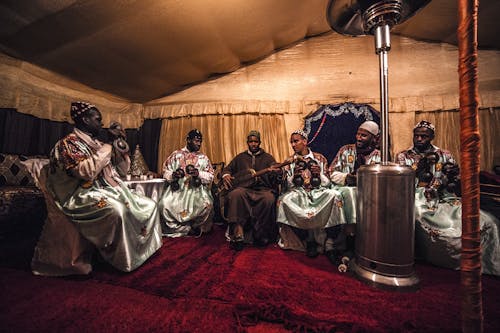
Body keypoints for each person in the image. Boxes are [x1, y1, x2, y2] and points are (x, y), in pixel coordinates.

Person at [31, 101, 162, 276]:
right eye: (97, 119)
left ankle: (142, 252)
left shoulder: (98, 144)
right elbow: (87, 172)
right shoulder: (67, 144)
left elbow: (123, 170)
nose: (101, 123)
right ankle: (121, 260)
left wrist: (119, 146)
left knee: (151, 205)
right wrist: (108, 144)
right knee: (118, 211)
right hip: (79, 195)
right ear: (85, 119)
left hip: (107, 190)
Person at [396, 120, 500, 276]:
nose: (418, 139)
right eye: (416, 136)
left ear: (432, 137)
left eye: (423, 136)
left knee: (486, 220)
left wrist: (453, 176)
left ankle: (486, 263)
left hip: (446, 198)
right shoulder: (403, 156)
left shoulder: (444, 155)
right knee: (420, 216)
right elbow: (402, 182)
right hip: (417, 199)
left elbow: (454, 179)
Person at [277, 129, 346, 258]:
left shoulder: (319, 158)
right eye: (291, 142)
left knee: (335, 196)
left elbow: (327, 183)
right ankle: (308, 240)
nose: (293, 144)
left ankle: (330, 242)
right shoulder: (290, 161)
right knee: (284, 201)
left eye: (296, 141)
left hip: (318, 191)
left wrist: (318, 173)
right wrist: (295, 176)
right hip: (299, 192)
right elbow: (288, 185)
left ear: (305, 141)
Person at [327, 121, 381, 265]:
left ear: (374, 138)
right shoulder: (345, 150)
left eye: (364, 135)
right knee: (350, 194)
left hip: (368, 192)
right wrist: (347, 178)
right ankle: (345, 243)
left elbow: (382, 180)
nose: (359, 137)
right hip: (343, 188)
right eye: (358, 134)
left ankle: (363, 246)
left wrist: (362, 180)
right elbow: (331, 172)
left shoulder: (380, 156)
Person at [221, 130, 280, 250]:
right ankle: (238, 233)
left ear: (260, 142)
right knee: (236, 194)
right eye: (251, 141)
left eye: (256, 141)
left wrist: (277, 172)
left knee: (268, 199)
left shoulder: (268, 158)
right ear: (247, 142)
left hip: (263, 190)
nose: (253, 144)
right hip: (244, 189)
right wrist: (226, 175)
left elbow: (275, 177)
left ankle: (261, 234)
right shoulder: (240, 157)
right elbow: (228, 169)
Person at [158, 129, 214, 237]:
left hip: (196, 191)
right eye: (196, 140)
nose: (198, 143)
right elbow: (165, 171)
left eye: (200, 141)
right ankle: (184, 229)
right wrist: (174, 175)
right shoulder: (176, 155)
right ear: (188, 140)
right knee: (163, 205)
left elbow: (210, 176)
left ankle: (196, 227)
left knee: (207, 204)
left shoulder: (203, 158)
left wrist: (198, 173)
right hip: (178, 190)